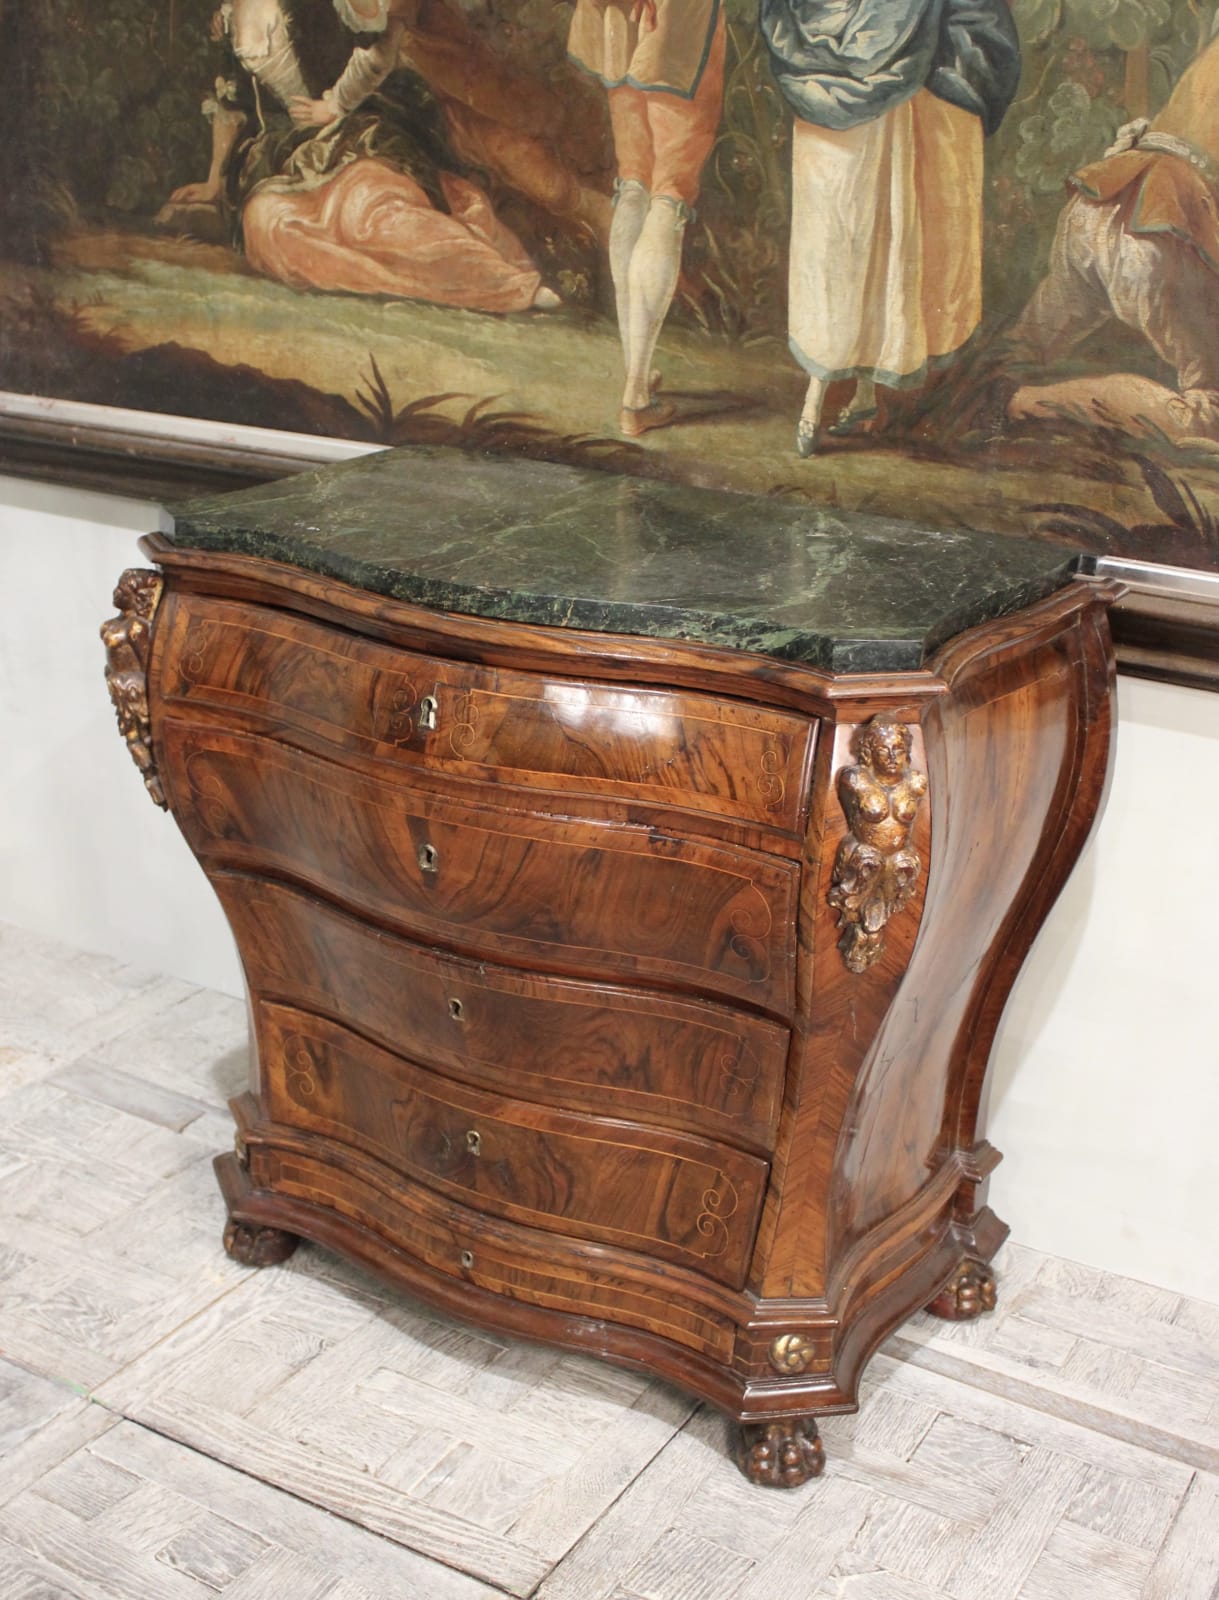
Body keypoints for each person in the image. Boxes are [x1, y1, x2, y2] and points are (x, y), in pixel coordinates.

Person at [165, 0, 557, 314]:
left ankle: (497, 280)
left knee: (369, 212)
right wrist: (215, 180)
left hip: (353, 133)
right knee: (266, 226)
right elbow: (229, 106)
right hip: (282, 158)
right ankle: (445, 281)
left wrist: (335, 105)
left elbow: (378, 53)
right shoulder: (229, 15)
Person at [758, 0, 1020, 455]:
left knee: (866, 233)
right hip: (876, 82)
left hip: (886, 84)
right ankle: (819, 396)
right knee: (854, 237)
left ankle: (856, 395)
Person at [1008, 32, 1219, 444]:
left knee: (1021, 351)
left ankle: (976, 401)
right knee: (1210, 409)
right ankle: (1022, 402)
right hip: (1163, 225)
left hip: (1102, 200)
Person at [567, 0, 727, 436]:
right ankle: (636, 395)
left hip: (617, 18)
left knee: (634, 180)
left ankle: (635, 371)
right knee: (668, 193)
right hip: (677, 21)